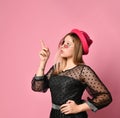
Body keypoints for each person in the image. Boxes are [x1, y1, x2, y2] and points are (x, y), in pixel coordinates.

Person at [31, 29, 112, 118]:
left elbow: (105, 96)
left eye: (68, 44)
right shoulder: (56, 69)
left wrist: (79, 108)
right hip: (55, 115)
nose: (62, 46)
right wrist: (43, 62)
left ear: (77, 48)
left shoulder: (83, 70)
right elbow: (37, 87)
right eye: (63, 42)